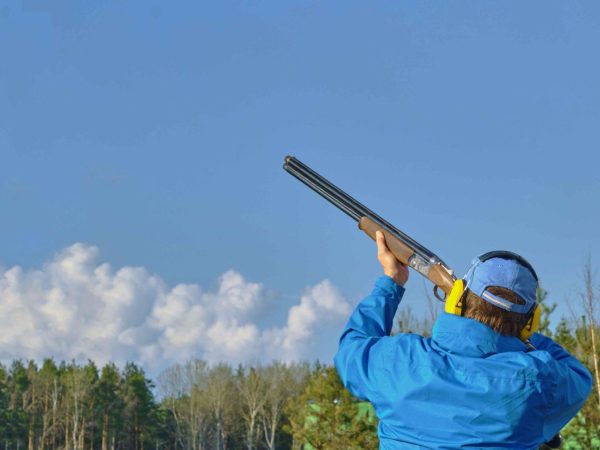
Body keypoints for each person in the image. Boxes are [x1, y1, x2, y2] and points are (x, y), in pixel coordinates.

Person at [334, 231, 592, 449]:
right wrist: (519, 332)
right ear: (531, 320)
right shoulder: (541, 380)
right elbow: (580, 376)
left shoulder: (398, 360)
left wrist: (391, 281)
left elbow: (351, 348)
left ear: (457, 297)